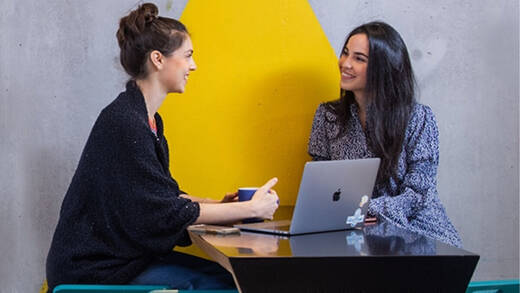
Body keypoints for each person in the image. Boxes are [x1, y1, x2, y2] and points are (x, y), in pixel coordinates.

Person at [46, 3, 279, 292]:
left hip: (120, 261)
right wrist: (250, 208)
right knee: (226, 285)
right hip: (94, 270)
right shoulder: (125, 122)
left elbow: (163, 198)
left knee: (233, 277)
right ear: (158, 59)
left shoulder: (147, 119)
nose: (193, 65)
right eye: (188, 56)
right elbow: (163, 214)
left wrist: (219, 205)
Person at [308, 21, 461, 247]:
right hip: (355, 232)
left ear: (384, 67)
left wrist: (366, 209)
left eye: (359, 59)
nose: (345, 64)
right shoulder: (327, 115)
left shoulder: (419, 118)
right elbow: (322, 185)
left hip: (416, 229)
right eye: (346, 53)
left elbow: (419, 193)